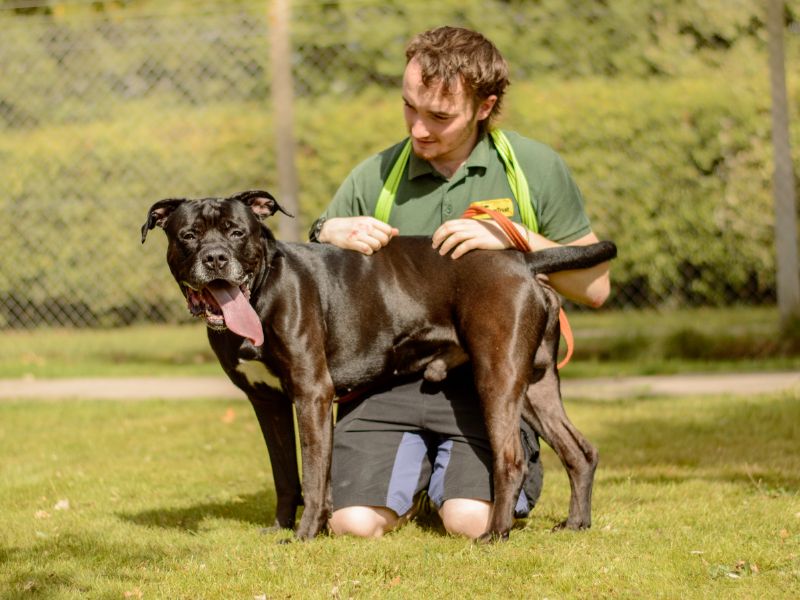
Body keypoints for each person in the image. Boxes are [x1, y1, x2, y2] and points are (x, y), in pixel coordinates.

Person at [308, 26, 610, 539]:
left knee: (470, 522)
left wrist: (511, 235)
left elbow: (596, 287)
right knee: (353, 525)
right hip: (388, 383)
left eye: (439, 117)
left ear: (485, 106)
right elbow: (316, 288)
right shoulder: (376, 175)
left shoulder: (532, 169)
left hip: (485, 383)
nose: (419, 130)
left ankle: (447, 482)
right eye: (409, 108)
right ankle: (414, 473)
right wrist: (325, 231)